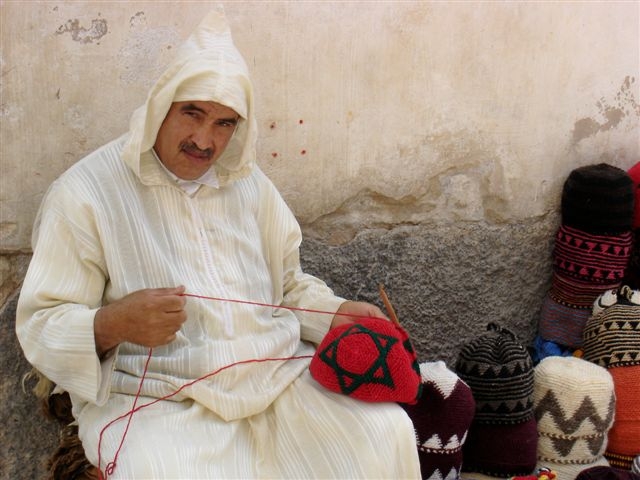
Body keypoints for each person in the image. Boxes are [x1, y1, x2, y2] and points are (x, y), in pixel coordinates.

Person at [16, 8, 421, 479]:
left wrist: (333, 313)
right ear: (161, 107)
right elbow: (43, 322)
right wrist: (112, 322)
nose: (205, 141)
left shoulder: (248, 186)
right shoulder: (86, 192)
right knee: (163, 470)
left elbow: (287, 287)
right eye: (193, 114)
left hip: (274, 378)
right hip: (157, 398)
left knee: (382, 432)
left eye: (225, 123)